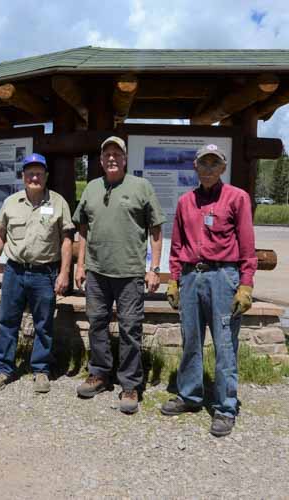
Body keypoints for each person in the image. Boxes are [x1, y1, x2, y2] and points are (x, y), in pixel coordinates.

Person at [163, 144, 257, 437]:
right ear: (195, 167)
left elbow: (247, 246)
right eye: (203, 163)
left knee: (225, 344)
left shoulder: (237, 198)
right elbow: (177, 246)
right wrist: (174, 279)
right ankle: (190, 395)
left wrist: (245, 284)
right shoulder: (184, 202)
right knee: (190, 338)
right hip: (192, 276)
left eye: (214, 164)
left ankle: (225, 407)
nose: (208, 169)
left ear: (223, 168)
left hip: (223, 277)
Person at [74, 136, 166, 414]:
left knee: (129, 330)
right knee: (97, 324)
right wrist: (80, 265)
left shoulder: (141, 187)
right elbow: (82, 230)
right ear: (101, 160)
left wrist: (155, 269)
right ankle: (100, 374)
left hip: (129, 274)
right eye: (107, 154)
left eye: (117, 153)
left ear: (125, 159)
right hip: (97, 272)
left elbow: (156, 229)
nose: (111, 158)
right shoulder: (91, 188)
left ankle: (130, 385)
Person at [0, 153, 74, 393]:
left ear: (46, 176)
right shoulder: (11, 202)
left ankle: (40, 370)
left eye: (39, 173)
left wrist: (64, 273)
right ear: (23, 176)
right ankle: (4, 368)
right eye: (30, 173)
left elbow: (67, 240)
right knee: (7, 322)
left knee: (44, 324)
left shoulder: (58, 203)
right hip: (15, 271)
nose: (34, 177)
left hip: (44, 273)